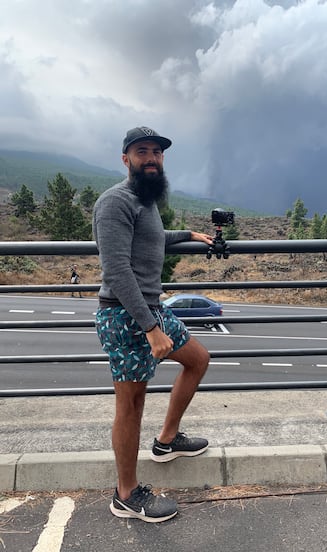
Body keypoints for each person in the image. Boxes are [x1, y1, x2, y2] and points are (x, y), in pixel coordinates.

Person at [92, 126, 213, 523]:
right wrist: (150, 327)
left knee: (198, 359)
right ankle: (125, 495)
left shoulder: (145, 201)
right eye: (142, 151)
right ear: (125, 158)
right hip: (126, 315)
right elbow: (117, 269)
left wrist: (188, 235)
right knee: (131, 404)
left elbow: (152, 237)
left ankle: (166, 441)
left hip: (150, 310)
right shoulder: (114, 202)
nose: (152, 158)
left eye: (157, 152)